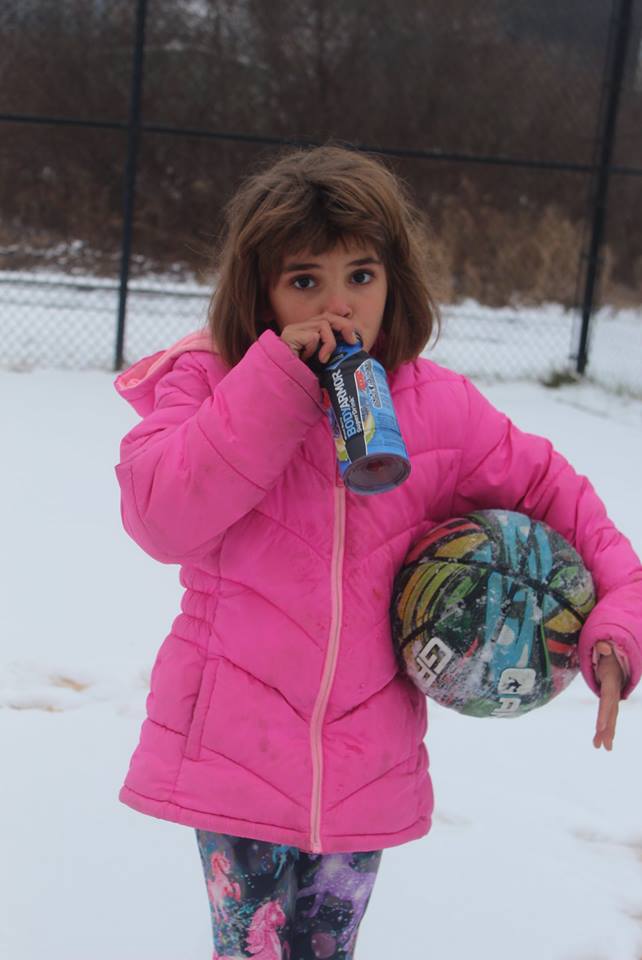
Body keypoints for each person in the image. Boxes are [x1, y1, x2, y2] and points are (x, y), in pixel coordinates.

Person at [113, 144, 642, 959]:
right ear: (258, 291)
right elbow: (160, 517)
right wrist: (274, 384)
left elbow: (557, 496)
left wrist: (618, 624)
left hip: (366, 769)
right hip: (233, 752)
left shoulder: (437, 408)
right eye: (304, 281)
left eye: (360, 275)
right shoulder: (212, 382)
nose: (338, 305)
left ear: (395, 280)